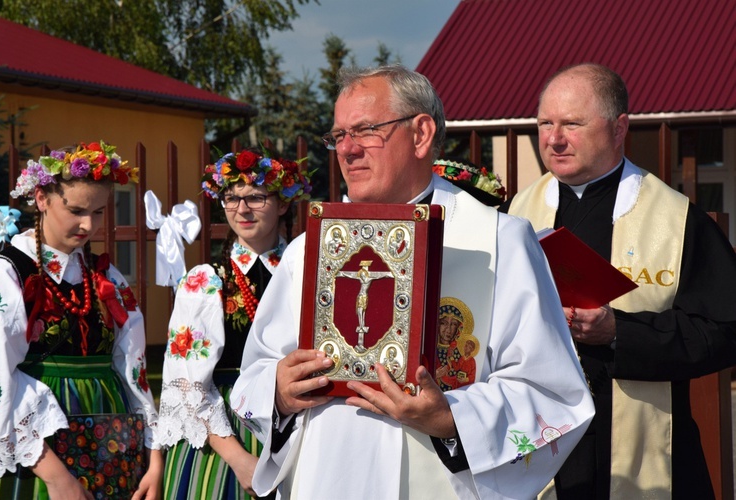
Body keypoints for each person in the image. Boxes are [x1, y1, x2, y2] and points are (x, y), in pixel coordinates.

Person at [230, 65, 595, 499]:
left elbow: (553, 395)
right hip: (329, 478)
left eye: (365, 131)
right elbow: (252, 375)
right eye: (338, 136)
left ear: (421, 134)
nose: (346, 150)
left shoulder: (500, 243)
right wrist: (280, 392)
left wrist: (450, 418)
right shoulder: (308, 251)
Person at [500, 62, 736, 499]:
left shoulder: (677, 220)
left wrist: (618, 333)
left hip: (645, 451)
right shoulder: (516, 214)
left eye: (572, 123)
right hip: (542, 444)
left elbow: (724, 329)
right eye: (544, 123)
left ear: (619, 127)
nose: (553, 139)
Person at [0, 141, 163, 499]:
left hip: (113, 447)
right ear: (41, 199)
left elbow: (134, 371)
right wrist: (56, 477)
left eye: (98, 212)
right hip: (39, 457)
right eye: (77, 210)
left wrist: (154, 458)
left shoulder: (105, 277)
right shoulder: (7, 274)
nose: (88, 224)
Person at [157, 147, 312, 499]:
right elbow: (187, 383)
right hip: (224, 439)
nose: (242, 209)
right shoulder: (207, 281)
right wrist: (238, 459)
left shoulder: (307, 274)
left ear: (284, 203)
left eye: (256, 197)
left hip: (297, 426)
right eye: (231, 198)